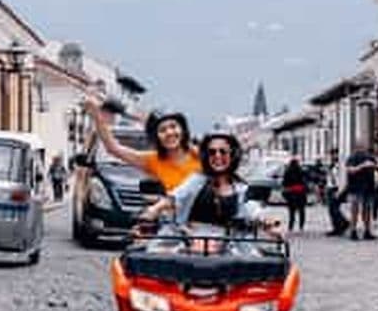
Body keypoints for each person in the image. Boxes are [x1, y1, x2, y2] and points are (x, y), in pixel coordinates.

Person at [142, 131, 279, 232]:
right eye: (212, 152)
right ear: (206, 156)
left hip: (230, 247)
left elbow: (251, 208)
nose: (217, 156)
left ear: (232, 155)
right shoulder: (197, 180)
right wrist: (153, 210)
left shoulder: (241, 187)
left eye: (223, 152)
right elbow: (174, 197)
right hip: (192, 241)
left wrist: (266, 220)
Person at [84, 95, 201, 191]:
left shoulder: (201, 156)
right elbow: (113, 148)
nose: (169, 133)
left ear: (183, 130)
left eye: (173, 126)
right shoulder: (154, 161)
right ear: (156, 138)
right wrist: (96, 115)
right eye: (162, 130)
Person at [345, 139, 377, 240]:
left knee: (367, 210)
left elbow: (377, 168)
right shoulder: (352, 157)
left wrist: (374, 166)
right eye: (361, 146)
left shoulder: (370, 157)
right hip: (356, 187)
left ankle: (367, 231)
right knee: (355, 210)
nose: (362, 149)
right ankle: (353, 231)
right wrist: (362, 166)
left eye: (363, 147)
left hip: (368, 187)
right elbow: (350, 170)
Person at [325, 149, 350, 236]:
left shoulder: (341, 166)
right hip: (330, 187)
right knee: (332, 210)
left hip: (336, 188)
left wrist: (340, 191)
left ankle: (343, 224)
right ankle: (337, 227)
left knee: (334, 209)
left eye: (335, 154)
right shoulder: (331, 165)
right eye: (331, 155)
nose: (333, 156)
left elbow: (343, 179)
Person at [282, 154, 308, 232]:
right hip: (300, 192)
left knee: (292, 211)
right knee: (301, 210)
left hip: (291, 193)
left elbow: (284, 183)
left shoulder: (287, 171)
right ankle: (301, 226)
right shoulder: (301, 170)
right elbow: (305, 180)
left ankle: (291, 226)